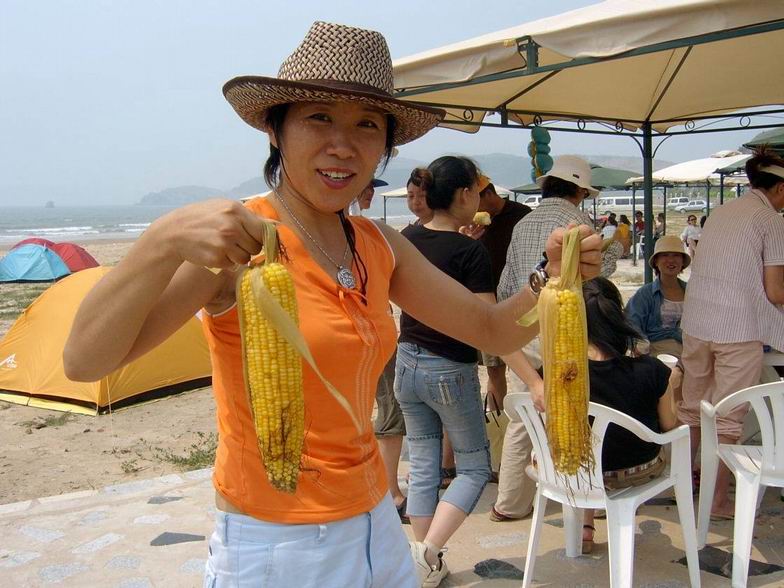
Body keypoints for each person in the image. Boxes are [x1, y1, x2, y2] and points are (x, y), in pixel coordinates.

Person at [62, 21, 603, 588]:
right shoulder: (242, 244)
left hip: (376, 522)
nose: (343, 145)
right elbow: (85, 361)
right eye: (319, 117)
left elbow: (491, 330)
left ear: (385, 146)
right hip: (278, 541)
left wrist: (550, 279)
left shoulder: (378, 244)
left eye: (367, 124)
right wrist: (161, 241)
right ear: (275, 130)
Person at [492, 155, 621, 523]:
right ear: (579, 191)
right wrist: (615, 250)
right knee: (574, 410)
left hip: (523, 325)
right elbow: (596, 275)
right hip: (564, 328)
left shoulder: (523, 223)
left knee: (525, 417)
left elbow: (506, 283)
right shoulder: (578, 223)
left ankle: (510, 503)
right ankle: (580, 499)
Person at [520, 277, 680, 553]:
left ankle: (586, 526)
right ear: (618, 318)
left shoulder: (555, 375)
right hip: (633, 471)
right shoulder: (651, 369)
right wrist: (674, 385)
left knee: (590, 441)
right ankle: (596, 519)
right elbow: (669, 425)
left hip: (574, 471)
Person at [396, 155, 496, 586]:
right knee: (474, 468)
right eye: (477, 190)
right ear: (464, 194)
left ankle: (425, 563)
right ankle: (427, 552)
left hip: (407, 361)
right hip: (449, 368)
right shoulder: (470, 250)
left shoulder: (407, 239)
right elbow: (490, 323)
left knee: (423, 464)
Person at [678, 147, 784, 520]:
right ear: (781, 188)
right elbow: (776, 291)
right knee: (727, 419)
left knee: (692, 409)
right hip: (737, 327)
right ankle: (717, 500)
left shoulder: (723, 212)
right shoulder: (770, 220)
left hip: (697, 322)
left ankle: (683, 486)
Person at [473, 178, 532, 412]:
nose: (473, 207)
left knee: (527, 368)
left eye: (476, 200)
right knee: (494, 371)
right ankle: (498, 418)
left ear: (489, 194)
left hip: (520, 305)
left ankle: (525, 414)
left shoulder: (522, 215)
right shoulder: (472, 223)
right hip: (488, 306)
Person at [625, 234, 690, 359]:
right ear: (656, 261)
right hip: (655, 353)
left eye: (676, 255)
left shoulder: (692, 292)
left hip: (689, 352)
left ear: (682, 261)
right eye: (665, 255)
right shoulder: (645, 294)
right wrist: (640, 343)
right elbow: (631, 323)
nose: (671, 260)